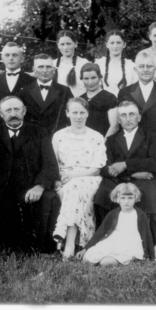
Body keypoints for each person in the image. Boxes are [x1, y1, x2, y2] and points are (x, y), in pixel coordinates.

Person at [0, 96, 61, 257]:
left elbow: (50, 164)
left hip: (29, 185)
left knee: (48, 198)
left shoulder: (39, 132)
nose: (13, 114)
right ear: (0, 113)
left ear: (24, 111)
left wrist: (39, 186)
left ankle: (40, 247)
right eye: (8, 110)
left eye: (17, 109)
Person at [94, 101, 156, 241]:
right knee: (103, 192)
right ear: (118, 119)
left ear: (139, 117)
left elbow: (155, 164)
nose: (128, 118)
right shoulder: (111, 140)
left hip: (143, 180)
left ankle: (148, 242)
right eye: (123, 115)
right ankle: (105, 239)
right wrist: (132, 173)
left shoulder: (151, 137)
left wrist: (125, 164)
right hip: (117, 180)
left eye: (132, 114)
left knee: (150, 193)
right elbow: (105, 168)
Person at [52, 98, 106, 260]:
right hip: (64, 180)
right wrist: (57, 180)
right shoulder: (59, 136)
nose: (78, 116)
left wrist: (74, 176)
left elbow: (96, 169)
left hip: (89, 179)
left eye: (82, 112)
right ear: (67, 114)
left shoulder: (96, 137)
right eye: (74, 112)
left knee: (75, 187)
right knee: (72, 189)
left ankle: (68, 245)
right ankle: (78, 244)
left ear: (88, 114)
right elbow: (53, 164)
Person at [77, 183, 155, 265]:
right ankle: (106, 260)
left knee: (106, 263)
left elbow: (148, 236)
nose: (126, 201)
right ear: (117, 199)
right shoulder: (113, 214)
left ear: (136, 198)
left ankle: (117, 261)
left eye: (130, 198)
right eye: (123, 198)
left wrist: (152, 257)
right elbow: (100, 232)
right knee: (87, 258)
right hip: (113, 242)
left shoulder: (141, 215)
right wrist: (85, 249)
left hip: (130, 246)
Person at [117, 51, 156, 145]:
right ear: (135, 69)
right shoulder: (125, 92)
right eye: (141, 66)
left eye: (149, 66)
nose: (145, 70)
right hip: (133, 143)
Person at [18, 54, 73, 135]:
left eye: (48, 67)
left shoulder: (65, 91)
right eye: (40, 67)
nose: (45, 70)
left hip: (56, 138)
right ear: (34, 69)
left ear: (54, 70)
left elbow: (71, 118)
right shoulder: (24, 91)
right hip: (31, 139)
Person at [79, 63, 119, 138]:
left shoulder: (110, 98)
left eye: (93, 78)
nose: (90, 82)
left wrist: (101, 144)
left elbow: (114, 126)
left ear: (100, 77)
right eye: (86, 79)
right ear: (82, 79)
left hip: (103, 142)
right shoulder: (80, 99)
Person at [94, 30, 137, 97]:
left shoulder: (132, 66)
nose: (115, 46)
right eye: (112, 43)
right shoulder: (99, 64)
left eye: (118, 43)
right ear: (106, 44)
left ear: (124, 44)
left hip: (126, 104)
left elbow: (135, 89)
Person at [54, 30, 90, 96]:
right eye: (62, 44)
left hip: (79, 103)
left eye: (68, 44)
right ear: (58, 45)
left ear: (75, 44)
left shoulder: (84, 63)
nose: (65, 48)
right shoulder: (53, 64)